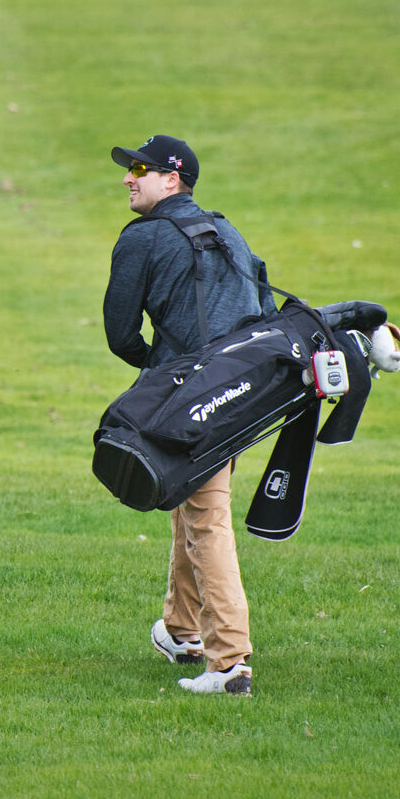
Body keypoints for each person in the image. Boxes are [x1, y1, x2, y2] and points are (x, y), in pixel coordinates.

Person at [103, 135, 274, 696]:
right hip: (244, 393)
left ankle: (229, 664)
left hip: (190, 400)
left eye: (140, 169)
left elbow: (121, 333)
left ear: (171, 180)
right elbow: (265, 312)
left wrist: (160, 373)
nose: (130, 177)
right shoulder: (229, 231)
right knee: (191, 502)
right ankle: (182, 633)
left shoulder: (144, 237)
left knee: (206, 521)